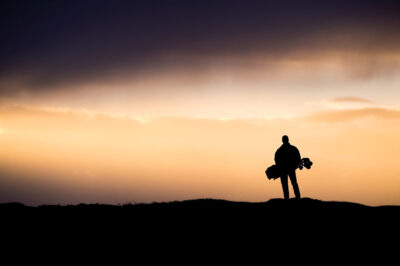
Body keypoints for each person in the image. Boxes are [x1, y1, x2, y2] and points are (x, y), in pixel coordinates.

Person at [274, 135, 302, 199]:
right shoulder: (293, 148)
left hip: (284, 170)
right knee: (294, 183)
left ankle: (287, 198)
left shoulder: (279, 150)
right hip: (290, 169)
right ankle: (298, 197)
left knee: (285, 185)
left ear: (282, 140)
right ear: (288, 139)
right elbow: (298, 158)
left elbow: (276, 160)